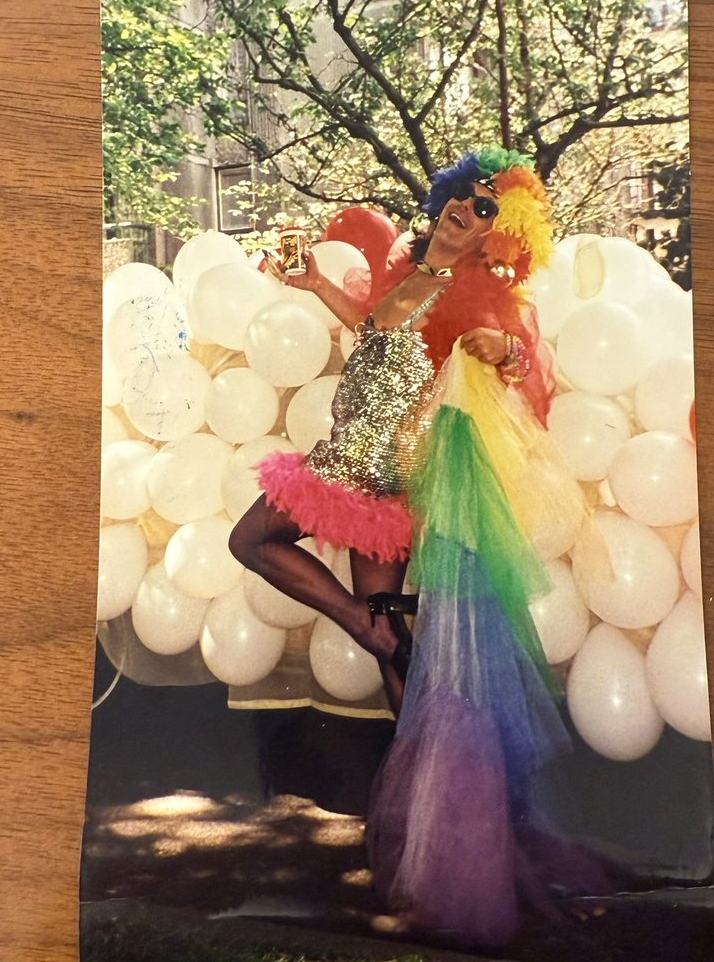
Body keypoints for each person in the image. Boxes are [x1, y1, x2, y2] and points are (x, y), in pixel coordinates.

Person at [230, 147, 591, 947]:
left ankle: (445, 873)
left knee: (411, 684)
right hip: (345, 462)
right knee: (279, 561)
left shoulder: (479, 293)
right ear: (441, 200)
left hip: (389, 479)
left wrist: (507, 353)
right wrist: (312, 285)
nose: (468, 207)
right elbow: (375, 330)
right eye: (463, 195)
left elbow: (516, 359)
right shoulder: (411, 270)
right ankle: (369, 629)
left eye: (488, 208)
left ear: (503, 236)